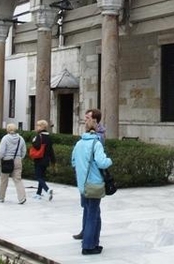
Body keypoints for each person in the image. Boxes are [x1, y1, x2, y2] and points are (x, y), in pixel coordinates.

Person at [71, 117, 112, 255]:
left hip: (83, 185)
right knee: (93, 215)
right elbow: (102, 162)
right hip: (94, 184)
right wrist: (109, 160)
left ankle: (94, 243)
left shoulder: (79, 143)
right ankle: (88, 246)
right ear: (96, 129)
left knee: (90, 212)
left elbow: (73, 161)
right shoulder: (96, 143)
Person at [73, 108, 106, 240]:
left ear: (94, 120)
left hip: (92, 177)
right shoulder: (86, 137)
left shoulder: (98, 137)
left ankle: (90, 236)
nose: (85, 120)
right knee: (88, 207)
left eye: (87, 118)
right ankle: (87, 232)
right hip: (84, 177)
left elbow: (99, 160)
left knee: (92, 209)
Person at [0, 123, 27, 204]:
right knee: (18, 180)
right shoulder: (21, 139)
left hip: (6, 160)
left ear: (8, 129)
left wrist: (0, 158)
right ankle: (22, 198)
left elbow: (2, 151)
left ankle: (1, 197)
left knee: (4, 180)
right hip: (17, 160)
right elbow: (24, 151)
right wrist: (20, 158)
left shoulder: (5, 138)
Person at [30, 119, 56, 201]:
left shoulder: (39, 136)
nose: (37, 127)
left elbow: (36, 146)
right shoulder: (49, 137)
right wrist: (53, 161)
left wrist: (33, 139)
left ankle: (47, 189)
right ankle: (38, 193)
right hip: (46, 160)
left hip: (39, 159)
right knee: (42, 176)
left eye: (38, 125)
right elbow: (51, 150)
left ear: (41, 127)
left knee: (38, 176)